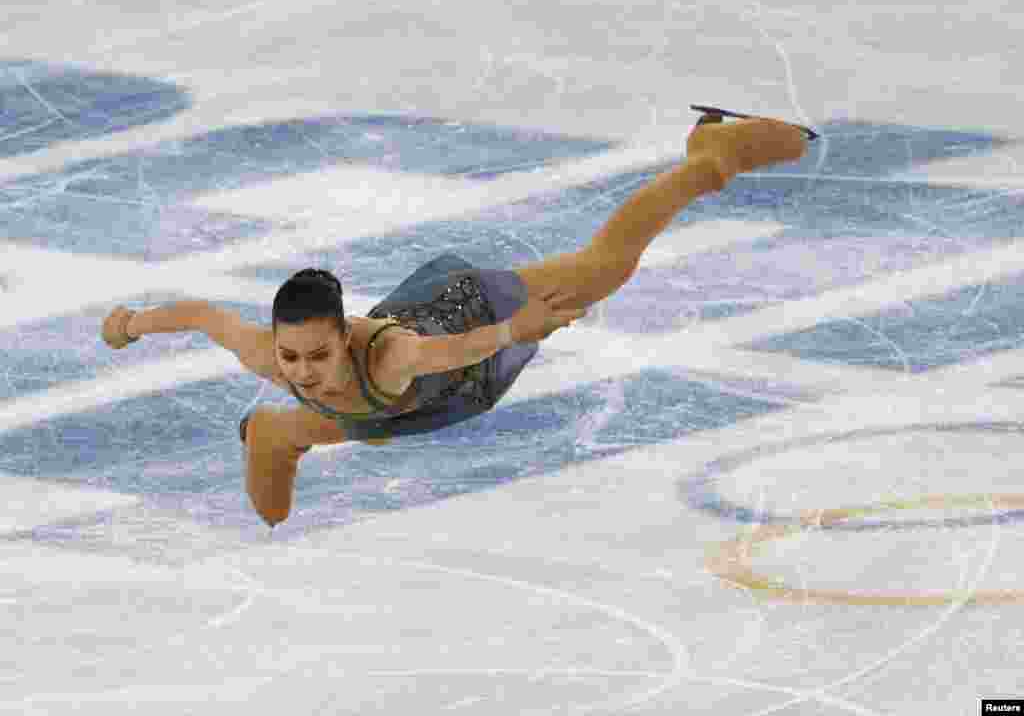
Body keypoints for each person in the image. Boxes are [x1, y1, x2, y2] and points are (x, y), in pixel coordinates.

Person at [102, 110, 810, 526]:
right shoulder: (272, 353)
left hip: (472, 323)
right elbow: (199, 314)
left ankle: (715, 156)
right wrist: (133, 322)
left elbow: (459, 348)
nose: (301, 370)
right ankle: (273, 432)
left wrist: (518, 327)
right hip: (411, 403)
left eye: (317, 356)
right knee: (353, 423)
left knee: (603, 269)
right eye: (291, 359)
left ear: (343, 336)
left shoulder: (393, 355)